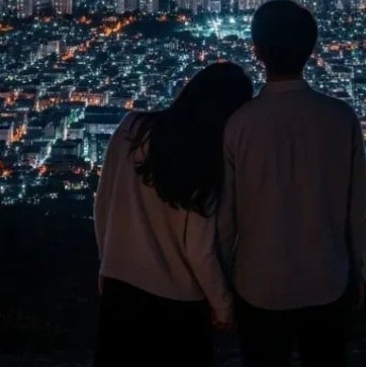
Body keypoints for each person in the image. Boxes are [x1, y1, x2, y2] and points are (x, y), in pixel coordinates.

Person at [219, 0, 366, 367]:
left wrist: (220, 283)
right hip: (328, 279)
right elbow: (359, 212)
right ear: (310, 49)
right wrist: (360, 272)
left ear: (256, 51)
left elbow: (226, 217)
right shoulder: (340, 118)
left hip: (258, 282)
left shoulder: (240, 124)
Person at [93, 60, 254, 367]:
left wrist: (107, 264)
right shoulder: (207, 162)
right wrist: (222, 306)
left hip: (120, 287)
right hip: (178, 303)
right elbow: (200, 250)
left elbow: (103, 207)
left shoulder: (131, 129)